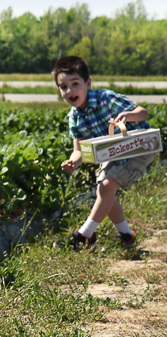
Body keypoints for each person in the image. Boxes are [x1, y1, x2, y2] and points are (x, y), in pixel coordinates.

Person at [51, 56, 157, 250]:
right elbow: (79, 149)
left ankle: (84, 235)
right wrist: (73, 163)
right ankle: (127, 235)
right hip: (114, 151)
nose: (70, 90)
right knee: (104, 190)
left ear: (88, 83)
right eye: (64, 87)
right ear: (59, 91)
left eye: (75, 83)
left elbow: (143, 113)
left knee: (106, 187)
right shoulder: (74, 118)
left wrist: (127, 115)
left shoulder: (105, 98)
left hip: (138, 147)